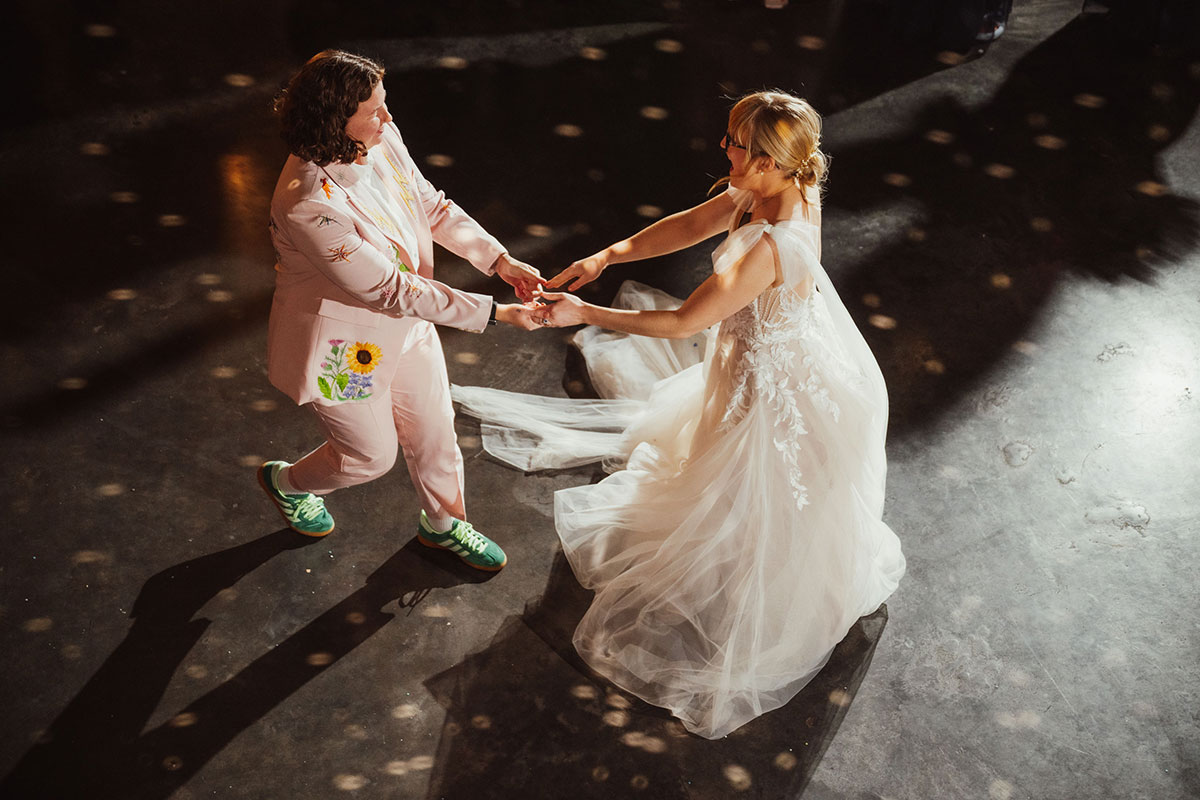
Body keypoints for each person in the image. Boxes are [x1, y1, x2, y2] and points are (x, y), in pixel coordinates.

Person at [454, 90, 905, 737]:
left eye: (738, 145)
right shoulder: (775, 185)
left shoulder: (772, 246)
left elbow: (683, 321)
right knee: (709, 461)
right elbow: (692, 224)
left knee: (751, 494)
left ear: (774, 161)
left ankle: (750, 589)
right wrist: (609, 255)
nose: (726, 150)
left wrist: (586, 312)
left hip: (769, 383)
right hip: (749, 356)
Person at [258, 50, 544, 571]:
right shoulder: (305, 202)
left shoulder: (379, 137)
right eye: (373, 110)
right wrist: (496, 314)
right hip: (345, 345)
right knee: (369, 458)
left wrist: (499, 260)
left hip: (410, 322)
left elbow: (429, 205)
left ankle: (445, 526)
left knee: (436, 431)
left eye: (384, 105)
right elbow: (388, 289)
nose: (387, 118)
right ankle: (288, 482)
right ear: (333, 120)